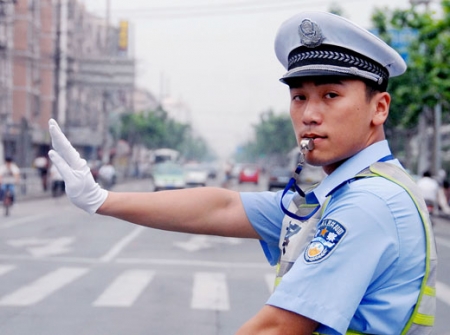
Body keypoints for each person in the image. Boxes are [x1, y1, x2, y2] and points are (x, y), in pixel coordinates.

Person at [48, 11, 436, 335]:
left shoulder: (368, 204)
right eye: (299, 96)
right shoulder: (341, 193)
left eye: (330, 95)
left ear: (379, 108)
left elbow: (275, 328)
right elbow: (222, 206)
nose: (309, 114)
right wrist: (101, 199)